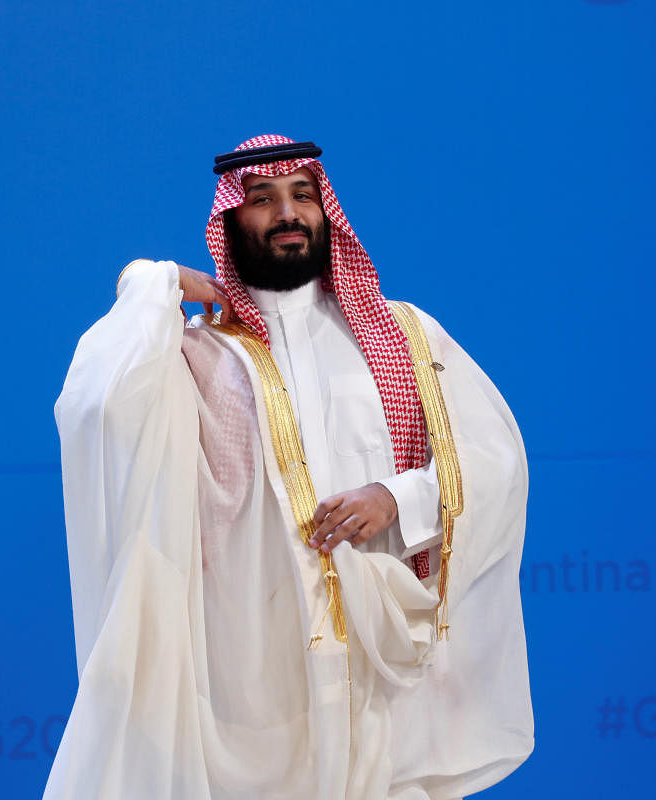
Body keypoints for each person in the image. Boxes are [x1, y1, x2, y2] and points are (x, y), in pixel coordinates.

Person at [44, 135, 534, 800]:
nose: (287, 213)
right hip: (253, 687)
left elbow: (493, 460)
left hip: (383, 677)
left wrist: (396, 499)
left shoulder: (404, 335)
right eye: (262, 199)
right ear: (228, 220)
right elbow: (95, 408)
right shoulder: (195, 357)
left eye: (303, 195)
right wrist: (149, 287)